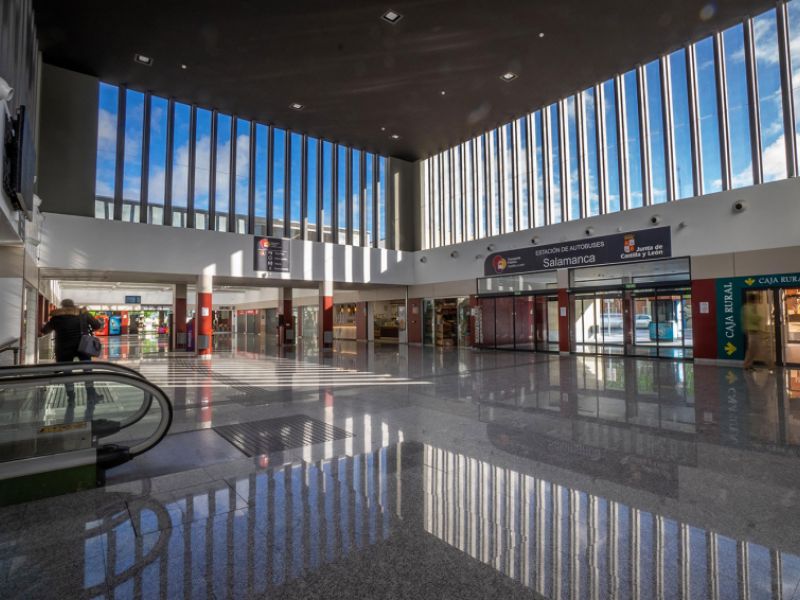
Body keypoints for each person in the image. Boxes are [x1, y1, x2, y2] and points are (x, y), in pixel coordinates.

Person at [41, 299, 104, 414]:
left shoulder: (56, 317)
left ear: (62, 306)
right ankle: (91, 395)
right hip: (83, 347)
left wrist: (45, 325)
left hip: (63, 349)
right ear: (73, 304)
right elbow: (96, 326)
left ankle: (71, 398)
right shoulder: (83, 314)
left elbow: (44, 330)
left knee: (67, 373)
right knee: (87, 371)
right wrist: (98, 323)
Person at [742, 292, 775, 371]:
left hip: (753, 331)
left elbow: (745, 319)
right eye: (756, 299)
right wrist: (760, 317)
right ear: (753, 300)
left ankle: (747, 365)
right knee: (761, 349)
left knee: (752, 350)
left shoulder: (747, 307)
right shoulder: (750, 307)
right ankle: (771, 365)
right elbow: (752, 317)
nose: (757, 301)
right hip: (753, 332)